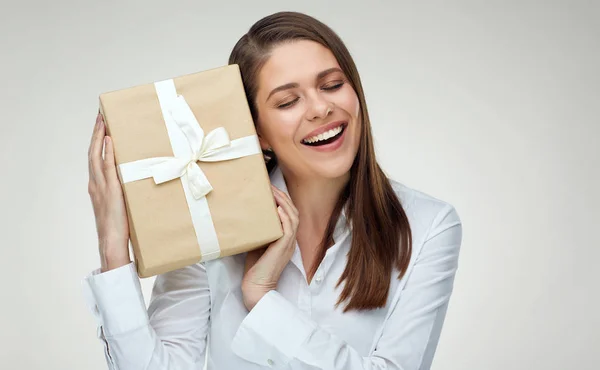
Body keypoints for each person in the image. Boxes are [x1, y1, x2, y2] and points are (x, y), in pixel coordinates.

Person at [82, 11, 463, 370]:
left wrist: (263, 299)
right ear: (257, 133)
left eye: (332, 84)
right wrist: (113, 248)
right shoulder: (208, 222)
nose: (320, 108)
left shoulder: (429, 226)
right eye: (288, 101)